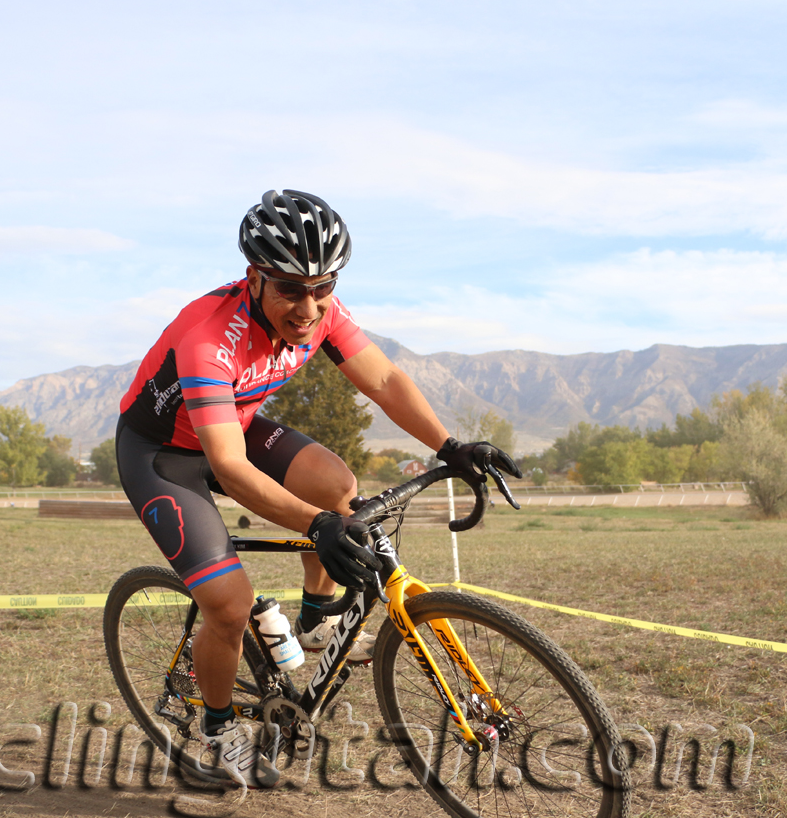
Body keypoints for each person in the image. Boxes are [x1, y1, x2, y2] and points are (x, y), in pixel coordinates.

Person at [115, 189, 520, 786]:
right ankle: (220, 727)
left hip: (236, 423)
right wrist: (314, 525)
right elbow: (227, 467)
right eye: (291, 288)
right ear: (254, 277)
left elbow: (382, 379)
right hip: (164, 454)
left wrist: (448, 446)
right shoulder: (208, 337)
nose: (308, 307)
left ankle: (315, 618)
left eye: (323, 286)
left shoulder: (322, 312)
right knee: (226, 606)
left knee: (338, 485)